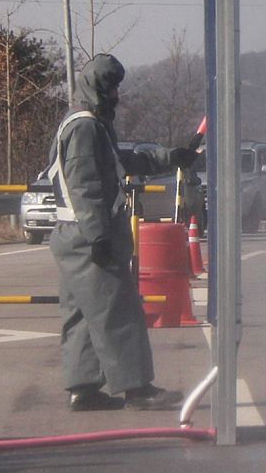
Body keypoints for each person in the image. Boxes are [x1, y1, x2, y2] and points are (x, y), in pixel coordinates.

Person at [48, 54, 199, 411]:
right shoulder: (86, 128)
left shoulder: (84, 123)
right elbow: (85, 186)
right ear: (98, 88)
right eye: (112, 86)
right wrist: (99, 236)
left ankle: (83, 388)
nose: (117, 94)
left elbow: (122, 161)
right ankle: (137, 389)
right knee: (119, 309)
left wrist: (171, 157)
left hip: (72, 235)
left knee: (82, 314)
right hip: (88, 236)